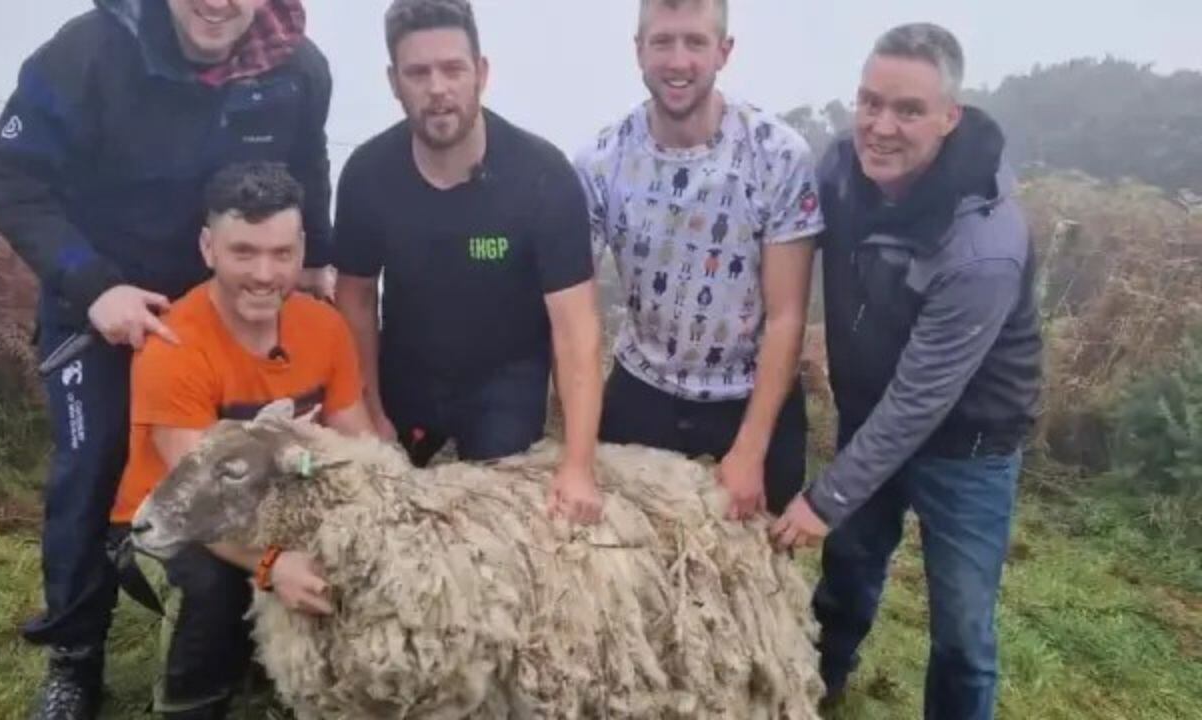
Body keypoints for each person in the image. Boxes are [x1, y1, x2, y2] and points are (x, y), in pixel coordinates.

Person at [0, 1, 335, 716]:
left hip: (227, 310)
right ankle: (74, 658)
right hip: (107, 304)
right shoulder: (85, 53)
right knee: (94, 465)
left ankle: (245, 624)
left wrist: (317, 259)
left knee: (257, 459)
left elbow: (308, 164)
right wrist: (93, 285)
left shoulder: (299, 69)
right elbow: (14, 184)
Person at [769, 23, 1043, 720]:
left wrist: (823, 500)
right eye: (869, 102)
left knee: (960, 627)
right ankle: (816, 690)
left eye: (908, 110)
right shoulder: (838, 174)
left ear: (950, 118)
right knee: (848, 575)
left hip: (969, 444)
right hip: (869, 413)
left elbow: (921, 401)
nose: (880, 127)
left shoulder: (983, 244)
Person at [109, 162, 374, 719]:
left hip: (276, 500)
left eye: (281, 254)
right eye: (243, 252)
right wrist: (273, 565)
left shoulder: (324, 328)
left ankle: (294, 681)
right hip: (170, 516)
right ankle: (190, 701)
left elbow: (359, 442)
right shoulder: (174, 347)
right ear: (208, 247)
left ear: (302, 250)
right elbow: (202, 505)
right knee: (211, 586)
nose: (264, 274)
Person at [334, 0, 605, 523]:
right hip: (407, 374)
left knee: (499, 529)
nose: (437, 88)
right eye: (418, 72)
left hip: (505, 381)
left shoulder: (541, 177)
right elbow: (356, 303)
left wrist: (578, 464)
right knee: (379, 521)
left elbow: (577, 329)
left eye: (453, 69)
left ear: (480, 72)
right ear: (394, 81)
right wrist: (371, 417)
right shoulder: (367, 176)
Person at [574, 0, 822, 520]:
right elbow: (575, 309)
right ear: (639, 49)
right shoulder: (601, 162)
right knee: (626, 567)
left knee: (752, 578)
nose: (678, 61)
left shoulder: (777, 156)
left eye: (695, 42)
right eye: (662, 42)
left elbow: (786, 317)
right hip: (644, 391)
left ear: (723, 52)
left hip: (750, 397)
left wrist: (751, 450)